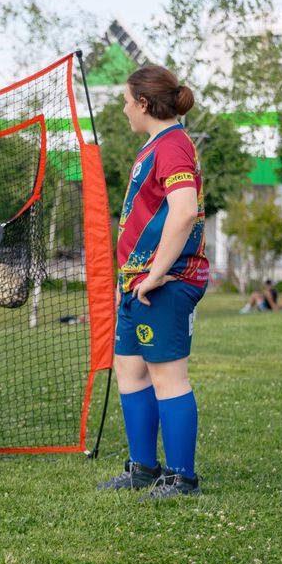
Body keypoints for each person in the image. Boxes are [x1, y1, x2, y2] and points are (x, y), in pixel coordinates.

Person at [96, 64, 208, 500]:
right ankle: (143, 468)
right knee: (129, 369)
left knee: (168, 377)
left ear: (144, 103)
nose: (124, 109)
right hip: (136, 281)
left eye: (127, 101)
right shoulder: (154, 146)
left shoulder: (174, 144)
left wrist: (157, 273)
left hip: (165, 281)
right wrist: (128, 277)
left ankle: (182, 479)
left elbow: (184, 211)